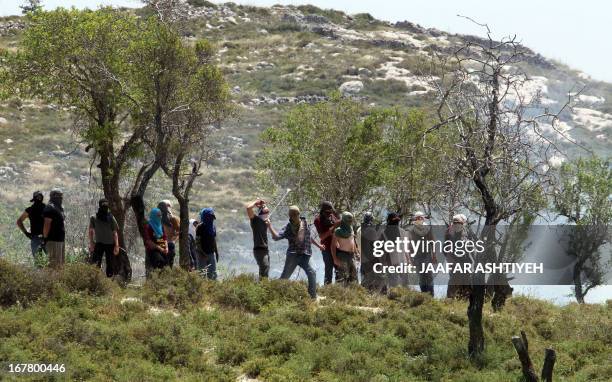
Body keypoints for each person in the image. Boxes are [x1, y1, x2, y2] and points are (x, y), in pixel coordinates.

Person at [267, 205, 322, 299]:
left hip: (305, 254)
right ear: (290, 216)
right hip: (293, 255)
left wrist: (319, 245)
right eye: (292, 215)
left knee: (312, 272)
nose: (294, 216)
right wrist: (269, 226)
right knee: (285, 277)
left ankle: (313, 297)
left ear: (299, 214)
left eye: (296, 214)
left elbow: (309, 236)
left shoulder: (304, 223)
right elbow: (276, 237)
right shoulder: (288, 227)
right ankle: (273, 294)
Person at [88, 199, 120, 278]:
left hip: (109, 244)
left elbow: (115, 232)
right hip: (99, 244)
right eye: (104, 205)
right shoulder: (94, 217)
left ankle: (108, 282)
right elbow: (91, 231)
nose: (105, 207)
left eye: (106, 205)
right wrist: (91, 243)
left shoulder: (111, 217)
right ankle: (96, 280)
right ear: (100, 205)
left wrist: (116, 245)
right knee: (96, 263)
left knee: (110, 263)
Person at [445, 214, 473, 299]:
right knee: (454, 280)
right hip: (454, 261)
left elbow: (471, 246)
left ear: (463, 223)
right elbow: (445, 249)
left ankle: (465, 300)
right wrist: (450, 260)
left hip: (466, 261)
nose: (457, 224)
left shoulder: (467, 231)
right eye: (455, 222)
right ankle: (450, 300)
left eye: (459, 222)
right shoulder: (449, 232)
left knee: (466, 280)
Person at [408, 211, 436, 296]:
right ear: (415, 219)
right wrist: (410, 259)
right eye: (418, 218)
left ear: (423, 219)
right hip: (417, 257)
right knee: (421, 277)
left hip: (427, 255)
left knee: (429, 276)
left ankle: (430, 297)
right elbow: (408, 246)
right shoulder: (411, 230)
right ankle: (424, 296)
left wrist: (434, 256)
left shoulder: (428, 229)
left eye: (421, 217)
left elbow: (433, 243)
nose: (419, 219)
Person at [380, 212, 410, 289]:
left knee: (403, 285)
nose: (396, 223)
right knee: (395, 285)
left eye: (397, 221)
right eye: (395, 221)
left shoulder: (402, 232)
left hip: (401, 262)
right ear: (389, 221)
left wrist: (408, 259)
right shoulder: (384, 233)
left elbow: (406, 247)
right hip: (392, 263)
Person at [357, 212, 385, 292]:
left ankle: (362, 293)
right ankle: (377, 293)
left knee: (364, 276)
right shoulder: (371, 230)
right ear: (371, 219)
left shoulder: (359, 229)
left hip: (362, 256)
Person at [16, 191, 46, 265]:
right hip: (43, 238)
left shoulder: (30, 209)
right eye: (38, 197)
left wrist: (26, 233)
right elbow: (19, 221)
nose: (39, 198)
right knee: (47, 263)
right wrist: (26, 233)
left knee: (42, 263)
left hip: (40, 238)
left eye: (40, 197)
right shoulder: (46, 208)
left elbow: (19, 221)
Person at [313, 201, 340, 284]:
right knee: (328, 272)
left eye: (331, 212)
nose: (329, 214)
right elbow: (322, 236)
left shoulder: (333, 216)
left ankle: (339, 291)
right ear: (323, 211)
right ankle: (327, 291)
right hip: (327, 249)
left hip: (337, 247)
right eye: (327, 212)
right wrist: (333, 227)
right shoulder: (318, 220)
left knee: (339, 271)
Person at [330, 212, 359, 284]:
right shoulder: (338, 231)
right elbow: (333, 246)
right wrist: (335, 259)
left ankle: (353, 294)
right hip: (342, 256)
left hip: (352, 256)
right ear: (344, 220)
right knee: (342, 278)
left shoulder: (351, 229)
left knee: (354, 279)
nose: (350, 222)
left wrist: (357, 252)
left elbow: (353, 241)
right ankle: (341, 295)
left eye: (351, 220)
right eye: (348, 220)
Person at [246, 199, 270, 280]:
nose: (265, 206)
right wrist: (256, 201)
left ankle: (261, 288)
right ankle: (264, 288)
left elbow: (265, 211)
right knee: (265, 269)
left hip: (265, 249)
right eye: (263, 206)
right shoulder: (255, 220)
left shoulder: (265, 221)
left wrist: (262, 206)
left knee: (264, 271)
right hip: (259, 250)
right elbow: (248, 208)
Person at [42, 188, 66, 269]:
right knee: (53, 264)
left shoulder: (59, 208)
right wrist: (45, 238)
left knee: (60, 265)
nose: (60, 198)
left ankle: (59, 281)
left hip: (60, 240)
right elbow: (47, 224)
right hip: (52, 240)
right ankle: (52, 281)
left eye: (61, 196)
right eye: (58, 196)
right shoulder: (49, 207)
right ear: (53, 196)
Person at [196, 208, 219, 280]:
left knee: (212, 275)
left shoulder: (213, 227)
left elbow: (213, 240)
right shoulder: (200, 227)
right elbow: (197, 242)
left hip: (211, 254)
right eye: (210, 217)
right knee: (201, 275)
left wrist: (216, 252)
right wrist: (202, 252)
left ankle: (211, 289)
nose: (212, 219)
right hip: (201, 254)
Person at [158, 200, 180, 267]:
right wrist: (174, 240)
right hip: (170, 244)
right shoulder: (173, 219)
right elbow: (179, 232)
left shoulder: (156, 219)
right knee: (169, 267)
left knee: (161, 268)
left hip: (160, 244)